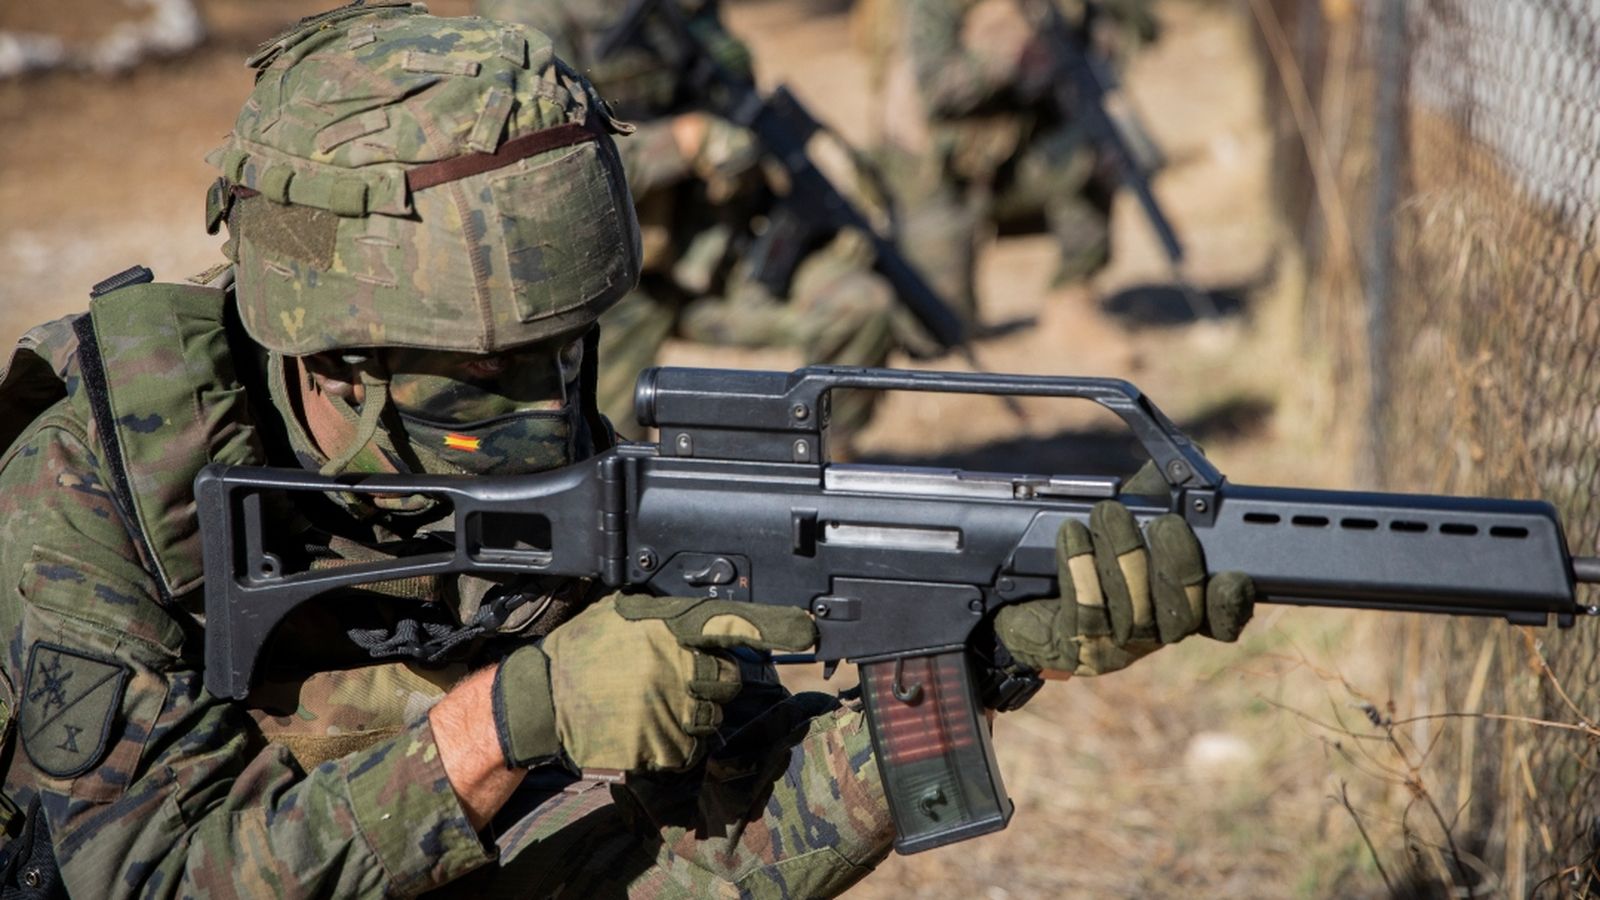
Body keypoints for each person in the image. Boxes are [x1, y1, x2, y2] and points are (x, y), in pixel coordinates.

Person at [0, 3, 1253, 896]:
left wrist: (981, 656)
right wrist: (500, 726)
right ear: (333, 354)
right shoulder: (95, 491)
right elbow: (144, 874)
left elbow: (727, 847)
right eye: (483, 377)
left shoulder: (539, 463)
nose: (542, 412)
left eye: (561, 355)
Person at [477, 0, 907, 443]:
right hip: (609, 281)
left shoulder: (678, 10)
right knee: (598, 456)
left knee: (860, 307)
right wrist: (681, 143)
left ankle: (817, 469)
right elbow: (532, 161)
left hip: (720, 254)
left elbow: (735, 96)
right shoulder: (530, 15)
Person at [868, 0, 1155, 317]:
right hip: (940, 172)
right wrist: (1008, 58)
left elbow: (1135, 29)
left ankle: (1072, 295)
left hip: (1018, 155)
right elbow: (935, 92)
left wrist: (1095, 44)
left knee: (1097, 148)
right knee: (939, 325)